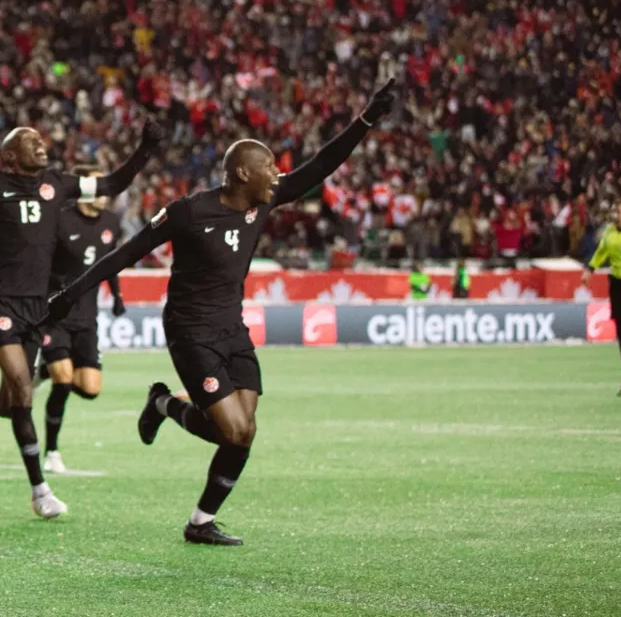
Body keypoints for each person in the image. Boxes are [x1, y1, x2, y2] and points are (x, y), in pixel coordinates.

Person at [47, 79, 396, 545]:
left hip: (231, 326)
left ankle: (198, 516)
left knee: (242, 430)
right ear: (241, 174)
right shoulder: (189, 212)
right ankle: (166, 409)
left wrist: (366, 118)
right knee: (232, 430)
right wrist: (69, 295)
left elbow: (319, 168)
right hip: (190, 330)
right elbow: (125, 254)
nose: (277, 174)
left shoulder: (264, 201)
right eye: (267, 167)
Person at [0, 120, 165, 519]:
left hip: (37, 309)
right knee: (22, 391)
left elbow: (111, 185)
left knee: (7, 403)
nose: (41, 145)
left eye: (41, 139)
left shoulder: (57, 183)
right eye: (30, 142)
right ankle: (40, 490)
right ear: (10, 156)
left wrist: (145, 148)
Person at [40, 168, 126, 474]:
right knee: (64, 381)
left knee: (90, 389)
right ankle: (51, 451)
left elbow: (111, 262)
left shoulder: (112, 223)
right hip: (56, 315)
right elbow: (42, 260)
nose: (105, 192)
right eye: (98, 186)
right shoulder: (61, 219)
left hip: (87, 317)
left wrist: (116, 295)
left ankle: (44, 370)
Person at [582, 197, 621, 396]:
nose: (615, 216)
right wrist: (589, 269)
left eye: (618, 211)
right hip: (618, 285)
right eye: (613, 212)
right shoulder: (610, 231)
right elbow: (602, 251)